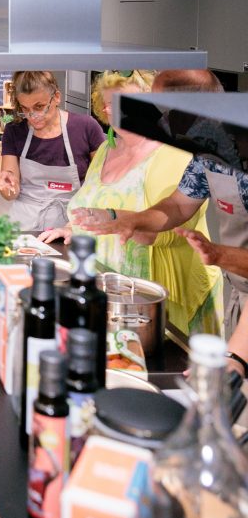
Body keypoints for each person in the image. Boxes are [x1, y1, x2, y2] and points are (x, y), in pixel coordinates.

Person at [40, 69, 222, 337]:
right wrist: (76, 227)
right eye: (111, 104)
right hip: (114, 290)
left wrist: (125, 221)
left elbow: (171, 227)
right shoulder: (106, 149)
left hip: (160, 299)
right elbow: (96, 203)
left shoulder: (175, 152)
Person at [80, 69, 247, 337]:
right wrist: (133, 220)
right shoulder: (207, 153)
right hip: (241, 290)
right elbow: (179, 205)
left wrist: (220, 255)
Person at [0, 70, 107, 232]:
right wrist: (6, 187)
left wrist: (73, 227)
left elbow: (101, 185)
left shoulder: (86, 127)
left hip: (73, 222)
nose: (33, 116)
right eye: (25, 108)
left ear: (57, 97)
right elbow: (12, 192)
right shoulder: (14, 131)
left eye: (39, 107)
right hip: (26, 223)